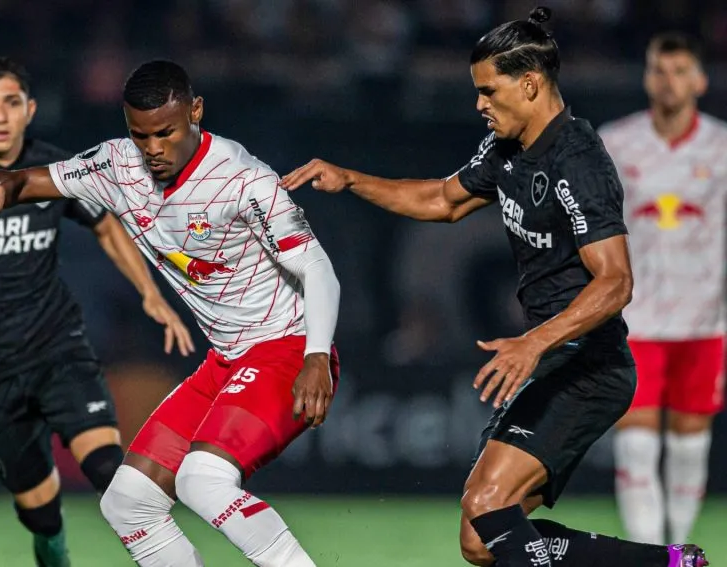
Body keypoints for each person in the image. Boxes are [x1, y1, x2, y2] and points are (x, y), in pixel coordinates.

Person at [281, 8, 708, 567]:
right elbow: (442, 199)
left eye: (488, 90)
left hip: (589, 367)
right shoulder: (510, 151)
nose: (479, 104)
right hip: (557, 361)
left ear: (529, 84)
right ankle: (673, 563)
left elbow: (616, 282)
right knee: (483, 540)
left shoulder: (578, 161)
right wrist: (351, 178)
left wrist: (532, 343)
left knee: (485, 502)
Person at [0, 59, 341, 567]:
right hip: (225, 360)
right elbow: (32, 181)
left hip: (287, 349)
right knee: (128, 504)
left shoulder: (244, 180)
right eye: (141, 136)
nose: (154, 149)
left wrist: (316, 359)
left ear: (196, 112)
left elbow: (318, 270)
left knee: (201, 480)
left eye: (166, 132)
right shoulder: (117, 166)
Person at [0, 56, 193, 567]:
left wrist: (149, 291)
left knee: (109, 472)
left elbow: (106, 224)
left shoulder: (51, 172)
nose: (0, 116)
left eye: (11, 103)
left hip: (58, 347)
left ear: (30, 109)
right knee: (41, 512)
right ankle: (53, 552)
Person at [599, 32, 727, 546]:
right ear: (646, 77)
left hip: (706, 318)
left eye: (679, 71)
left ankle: (676, 546)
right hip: (636, 319)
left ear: (700, 80)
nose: (668, 81)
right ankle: (655, 559)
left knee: (690, 450)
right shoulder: (615, 141)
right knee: (634, 448)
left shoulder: (721, 147)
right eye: (659, 70)